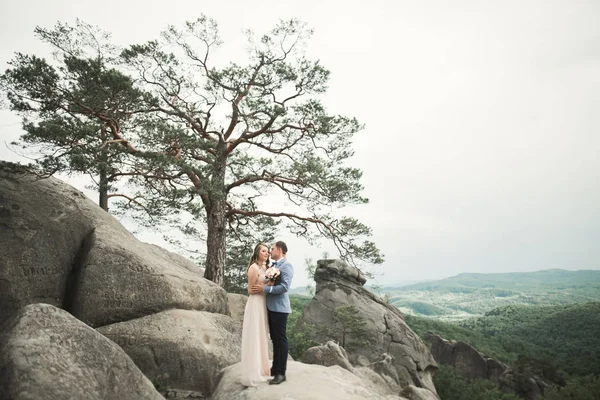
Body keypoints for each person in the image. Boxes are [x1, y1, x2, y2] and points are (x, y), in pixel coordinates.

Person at [250, 240, 294, 385]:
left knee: (281, 340)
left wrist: (265, 289)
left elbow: (284, 287)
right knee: (275, 339)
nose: (270, 251)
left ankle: (281, 373)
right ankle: (275, 369)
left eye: (273, 249)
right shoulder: (274, 266)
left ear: (280, 250)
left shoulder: (286, 266)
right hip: (270, 307)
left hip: (280, 308)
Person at [240, 243, 272, 387]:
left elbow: (267, 285)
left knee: (262, 334)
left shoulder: (266, 268)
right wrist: (265, 287)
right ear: (258, 253)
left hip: (263, 304)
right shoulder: (253, 268)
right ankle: (253, 371)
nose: (267, 253)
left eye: (267, 251)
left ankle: (263, 368)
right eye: (264, 251)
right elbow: (250, 290)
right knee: (255, 334)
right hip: (255, 304)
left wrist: (269, 283)